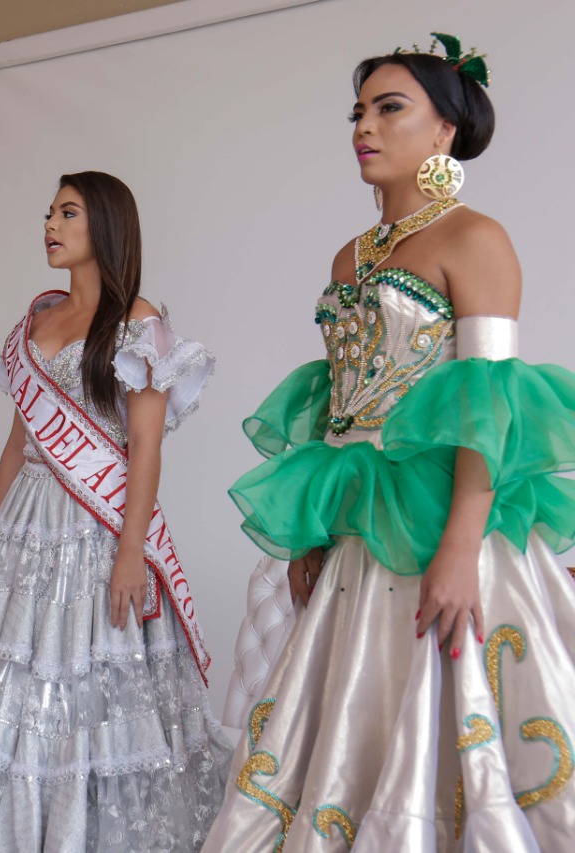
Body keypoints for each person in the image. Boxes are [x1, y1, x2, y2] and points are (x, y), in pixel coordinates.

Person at [204, 36, 575, 851]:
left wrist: (462, 544)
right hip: (358, 532)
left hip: (447, 522)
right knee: (348, 724)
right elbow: (340, 413)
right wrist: (313, 529)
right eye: (358, 111)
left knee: (453, 717)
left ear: (446, 130)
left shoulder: (478, 238)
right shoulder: (350, 257)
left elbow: (492, 406)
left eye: (389, 108)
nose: (363, 127)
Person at [0, 172, 230, 850]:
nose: (51, 224)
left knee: (81, 686)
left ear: (103, 224)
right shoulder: (36, 320)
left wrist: (132, 552)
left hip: (98, 527)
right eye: (49, 213)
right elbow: (19, 441)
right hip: (27, 518)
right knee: (0, 681)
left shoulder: (139, 322)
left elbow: (146, 450)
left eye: (67, 212)